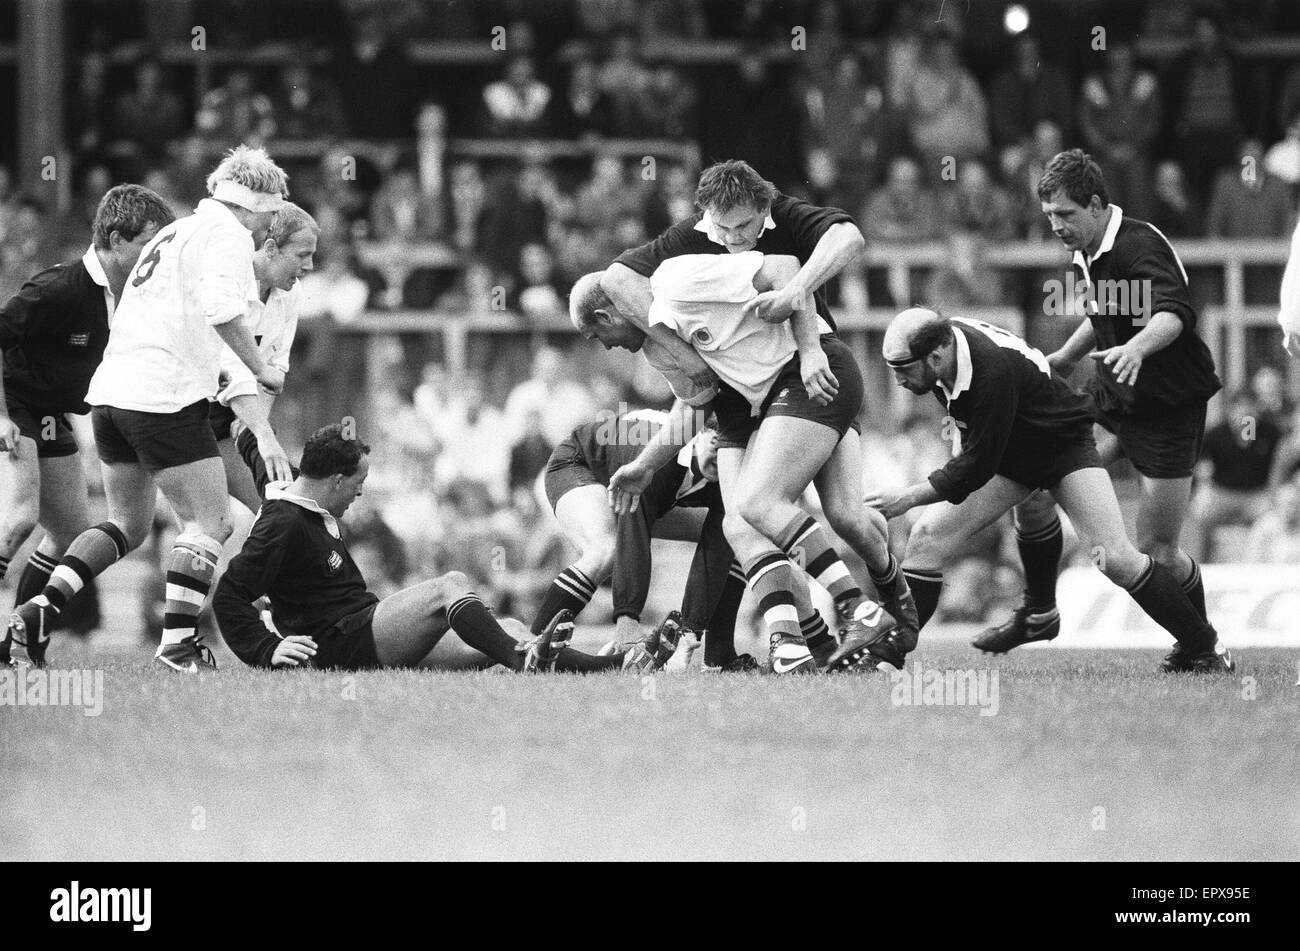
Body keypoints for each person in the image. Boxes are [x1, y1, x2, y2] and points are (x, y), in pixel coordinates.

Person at [596, 160, 916, 673]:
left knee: (836, 514)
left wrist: (799, 309)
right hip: (747, 399)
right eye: (722, 228)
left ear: (764, 210)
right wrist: (655, 449)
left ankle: (879, 609)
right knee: (744, 523)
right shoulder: (680, 264)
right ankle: (797, 647)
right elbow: (620, 285)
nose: (733, 239)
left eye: (745, 227)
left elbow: (846, 240)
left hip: (808, 374)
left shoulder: (748, 238)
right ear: (704, 217)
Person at [7, 145, 293, 672]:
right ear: (258, 202)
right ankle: (177, 642)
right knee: (209, 521)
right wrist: (260, 365)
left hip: (111, 395)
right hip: (163, 397)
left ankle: (39, 609)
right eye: (273, 209)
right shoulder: (227, 235)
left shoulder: (174, 229)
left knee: (127, 524)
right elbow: (221, 310)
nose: (272, 222)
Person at [871, 308, 1232, 674]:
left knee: (1116, 558)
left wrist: (908, 497)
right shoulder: (943, 348)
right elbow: (969, 430)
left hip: (1062, 446)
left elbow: (976, 467)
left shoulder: (990, 370)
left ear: (935, 356)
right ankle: (887, 658)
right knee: (927, 537)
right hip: (1015, 451)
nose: (899, 380)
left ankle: (1205, 649)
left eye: (903, 370)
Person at [977, 149, 1222, 661]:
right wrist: (1067, 355)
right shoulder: (1088, 248)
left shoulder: (1137, 245)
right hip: (1111, 400)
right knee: (1036, 481)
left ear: (1095, 205)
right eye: (1048, 217)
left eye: (1065, 215)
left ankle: (1200, 645)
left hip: (1167, 411)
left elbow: (1174, 313)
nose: (1057, 227)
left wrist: (1136, 347)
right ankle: (1040, 610)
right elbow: (1107, 308)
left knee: (1157, 551)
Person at [213, 423, 644, 674]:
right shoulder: (283, 524)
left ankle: (607, 666)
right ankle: (522, 661)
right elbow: (231, 593)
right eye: (359, 486)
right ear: (337, 480)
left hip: (365, 627)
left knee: (508, 626)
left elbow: (256, 454)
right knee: (449, 585)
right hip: (343, 642)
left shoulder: (294, 486)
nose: (360, 496)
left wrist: (241, 422)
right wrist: (268, 650)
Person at [0, 184, 176, 665]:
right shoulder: (57, 289)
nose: (157, 253)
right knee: (19, 520)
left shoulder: (132, 291)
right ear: (118, 241)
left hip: (54, 416)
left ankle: (20, 645)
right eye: (149, 241)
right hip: (20, 411)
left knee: (71, 533)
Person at [537, 410, 758, 671]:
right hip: (578, 464)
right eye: (716, 447)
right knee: (606, 549)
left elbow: (718, 546)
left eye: (730, 454)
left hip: (634, 485)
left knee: (736, 530)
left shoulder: (727, 473)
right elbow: (634, 525)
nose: (721, 462)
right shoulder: (661, 456)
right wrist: (627, 620)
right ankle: (530, 645)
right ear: (700, 434)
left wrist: (690, 630)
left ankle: (719, 655)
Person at [210, 202, 318, 513]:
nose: (309, 266)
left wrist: (253, 427)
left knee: (281, 510)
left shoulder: (291, 293)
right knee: (216, 524)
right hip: (188, 412)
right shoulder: (228, 282)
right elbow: (229, 369)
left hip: (238, 416)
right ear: (271, 248)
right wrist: (262, 433)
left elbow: (274, 370)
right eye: (301, 255)